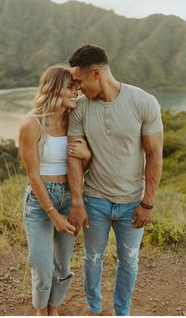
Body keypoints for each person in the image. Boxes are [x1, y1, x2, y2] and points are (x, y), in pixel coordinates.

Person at [67, 45, 164, 316]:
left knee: (129, 261)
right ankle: (94, 309)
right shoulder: (80, 108)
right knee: (92, 258)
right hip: (95, 200)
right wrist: (77, 201)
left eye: (79, 81)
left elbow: (154, 155)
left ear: (96, 73)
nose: (77, 87)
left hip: (132, 203)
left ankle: (122, 312)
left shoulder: (144, 102)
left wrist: (147, 203)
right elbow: (74, 157)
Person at [19, 65, 91, 316]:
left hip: (70, 196)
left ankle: (55, 308)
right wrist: (53, 213)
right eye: (70, 87)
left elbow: (85, 164)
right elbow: (32, 174)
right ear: (54, 89)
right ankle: (41, 310)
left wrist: (88, 155)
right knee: (41, 265)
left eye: (77, 87)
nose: (76, 92)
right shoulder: (31, 124)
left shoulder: (76, 120)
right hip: (41, 201)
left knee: (62, 265)